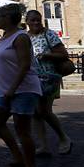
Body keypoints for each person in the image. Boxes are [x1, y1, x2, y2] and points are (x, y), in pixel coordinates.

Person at [0, 3, 42, 167]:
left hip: (22, 90)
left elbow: (25, 64)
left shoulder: (20, 38)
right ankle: (18, 158)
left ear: (9, 18)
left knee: (22, 129)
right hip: (5, 90)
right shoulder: (4, 37)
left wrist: (12, 88)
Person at [26, 9, 72, 155]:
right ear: (26, 21)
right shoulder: (25, 37)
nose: (35, 23)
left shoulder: (48, 34)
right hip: (33, 79)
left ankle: (64, 138)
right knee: (35, 113)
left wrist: (47, 55)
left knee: (44, 111)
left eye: (38, 20)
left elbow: (63, 54)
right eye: (32, 20)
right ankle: (43, 146)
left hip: (49, 78)